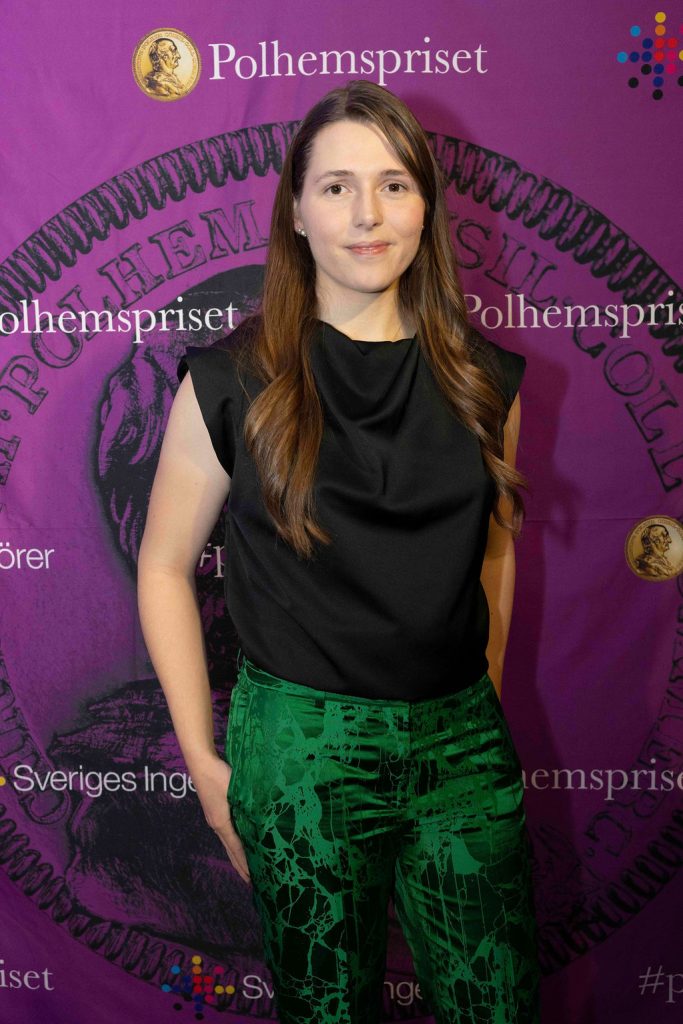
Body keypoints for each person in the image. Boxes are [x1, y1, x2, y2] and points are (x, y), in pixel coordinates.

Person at [137, 80, 541, 1024]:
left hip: (462, 745)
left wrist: (477, 689)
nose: (368, 214)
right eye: (336, 187)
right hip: (300, 753)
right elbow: (162, 566)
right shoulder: (231, 381)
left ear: (426, 206)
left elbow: (491, 553)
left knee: (498, 1007)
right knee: (324, 1012)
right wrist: (204, 763)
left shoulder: (486, 382)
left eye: (393, 184)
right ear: (296, 211)